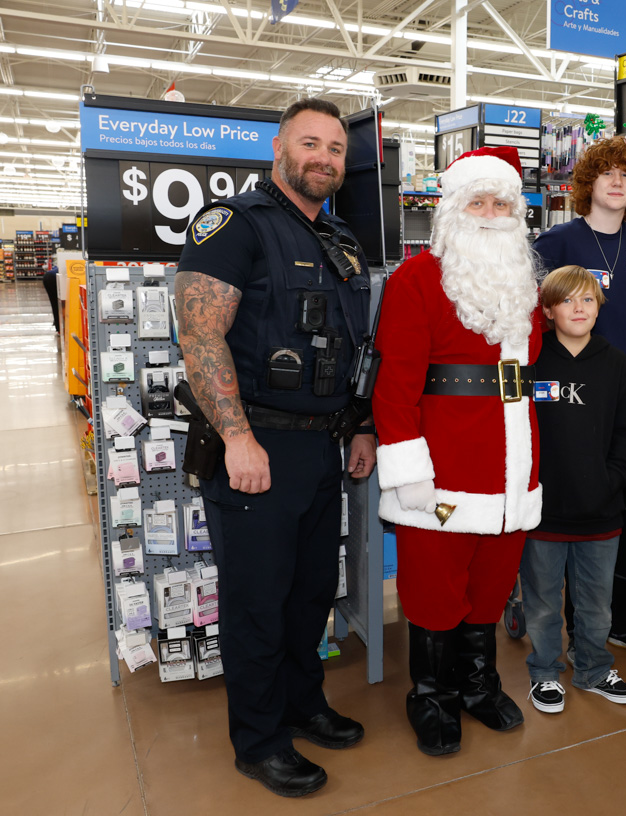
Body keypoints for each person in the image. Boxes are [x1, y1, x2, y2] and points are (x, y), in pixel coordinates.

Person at [175, 97, 376, 797]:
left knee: (308, 593)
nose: (323, 157)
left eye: (335, 149)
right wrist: (236, 437)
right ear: (279, 150)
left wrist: (358, 424)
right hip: (256, 447)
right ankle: (258, 742)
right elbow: (200, 336)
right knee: (258, 601)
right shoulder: (235, 225)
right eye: (310, 143)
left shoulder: (341, 239)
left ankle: (302, 704)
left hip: (322, 450)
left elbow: (352, 348)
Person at [372, 145, 543, 756]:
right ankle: (431, 694)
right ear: (452, 210)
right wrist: (408, 467)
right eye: (479, 201)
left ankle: (477, 682)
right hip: (441, 469)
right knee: (434, 584)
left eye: (502, 202)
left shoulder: (524, 283)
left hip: (512, 466)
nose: (491, 213)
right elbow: (395, 387)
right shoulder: (416, 279)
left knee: (493, 581)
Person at [532, 136, 626, 662]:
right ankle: (573, 633)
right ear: (588, 182)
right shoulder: (557, 240)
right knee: (572, 521)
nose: (617, 181)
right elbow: (535, 310)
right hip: (572, 402)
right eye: (607, 173)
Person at [521, 265, 626, 715]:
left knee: (596, 605)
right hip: (542, 512)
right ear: (549, 309)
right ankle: (545, 673)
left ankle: (593, 668)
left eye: (588, 300)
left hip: (600, 512)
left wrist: (611, 481)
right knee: (541, 604)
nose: (579, 308)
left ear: (599, 308)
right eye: (568, 300)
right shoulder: (531, 361)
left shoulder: (616, 363)